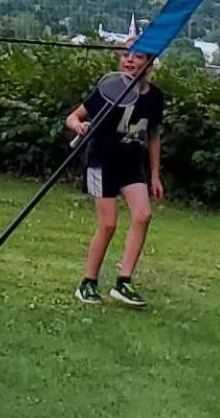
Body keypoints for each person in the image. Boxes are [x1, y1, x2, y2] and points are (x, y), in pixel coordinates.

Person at [65, 48, 165, 307]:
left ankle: (124, 282)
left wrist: (155, 175)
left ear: (149, 63)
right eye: (125, 55)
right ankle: (88, 282)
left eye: (138, 56)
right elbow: (73, 117)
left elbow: (153, 136)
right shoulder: (108, 88)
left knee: (143, 215)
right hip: (101, 162)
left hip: (131, 165)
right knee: (108, 224)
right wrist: (79, 126)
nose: (130, 60)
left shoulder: (155, 97)